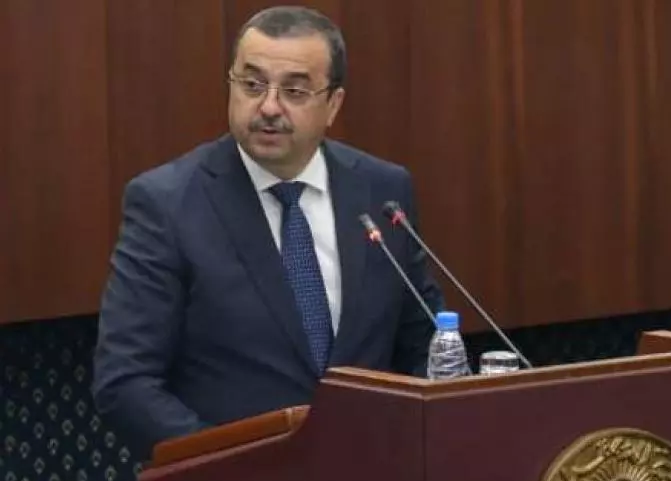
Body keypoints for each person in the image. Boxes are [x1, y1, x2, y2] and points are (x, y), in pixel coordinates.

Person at [92, 5, 443, 457]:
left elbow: (424, 342)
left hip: (372, 475)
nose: (269, 107)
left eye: (294, 90)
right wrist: (233, 466)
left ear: (333, 104)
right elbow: (125, 382)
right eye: (253, 85)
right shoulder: (167, 204)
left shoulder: (382, 191)